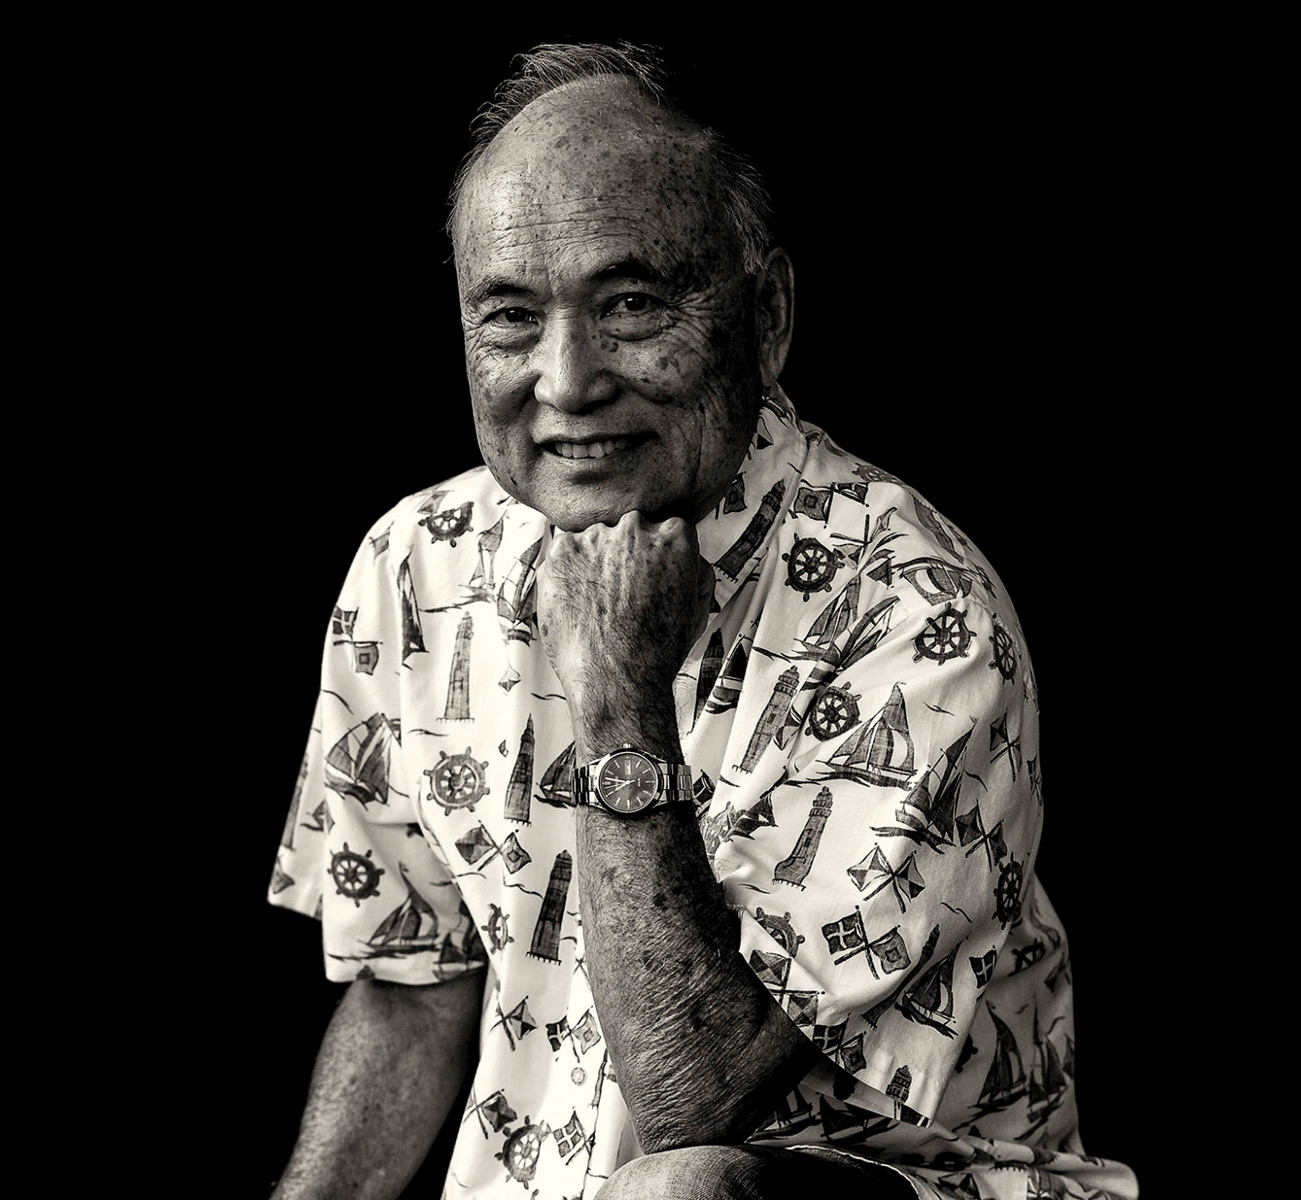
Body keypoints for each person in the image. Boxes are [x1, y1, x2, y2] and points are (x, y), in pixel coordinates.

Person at [267, 43, 1138, 1200]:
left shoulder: (918, 614)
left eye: (630, 306)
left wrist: (618, 699)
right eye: (511, 318)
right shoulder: (414, 567)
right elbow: (409, 990)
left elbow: (695, 1099)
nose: (566, 380)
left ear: (766, 316)